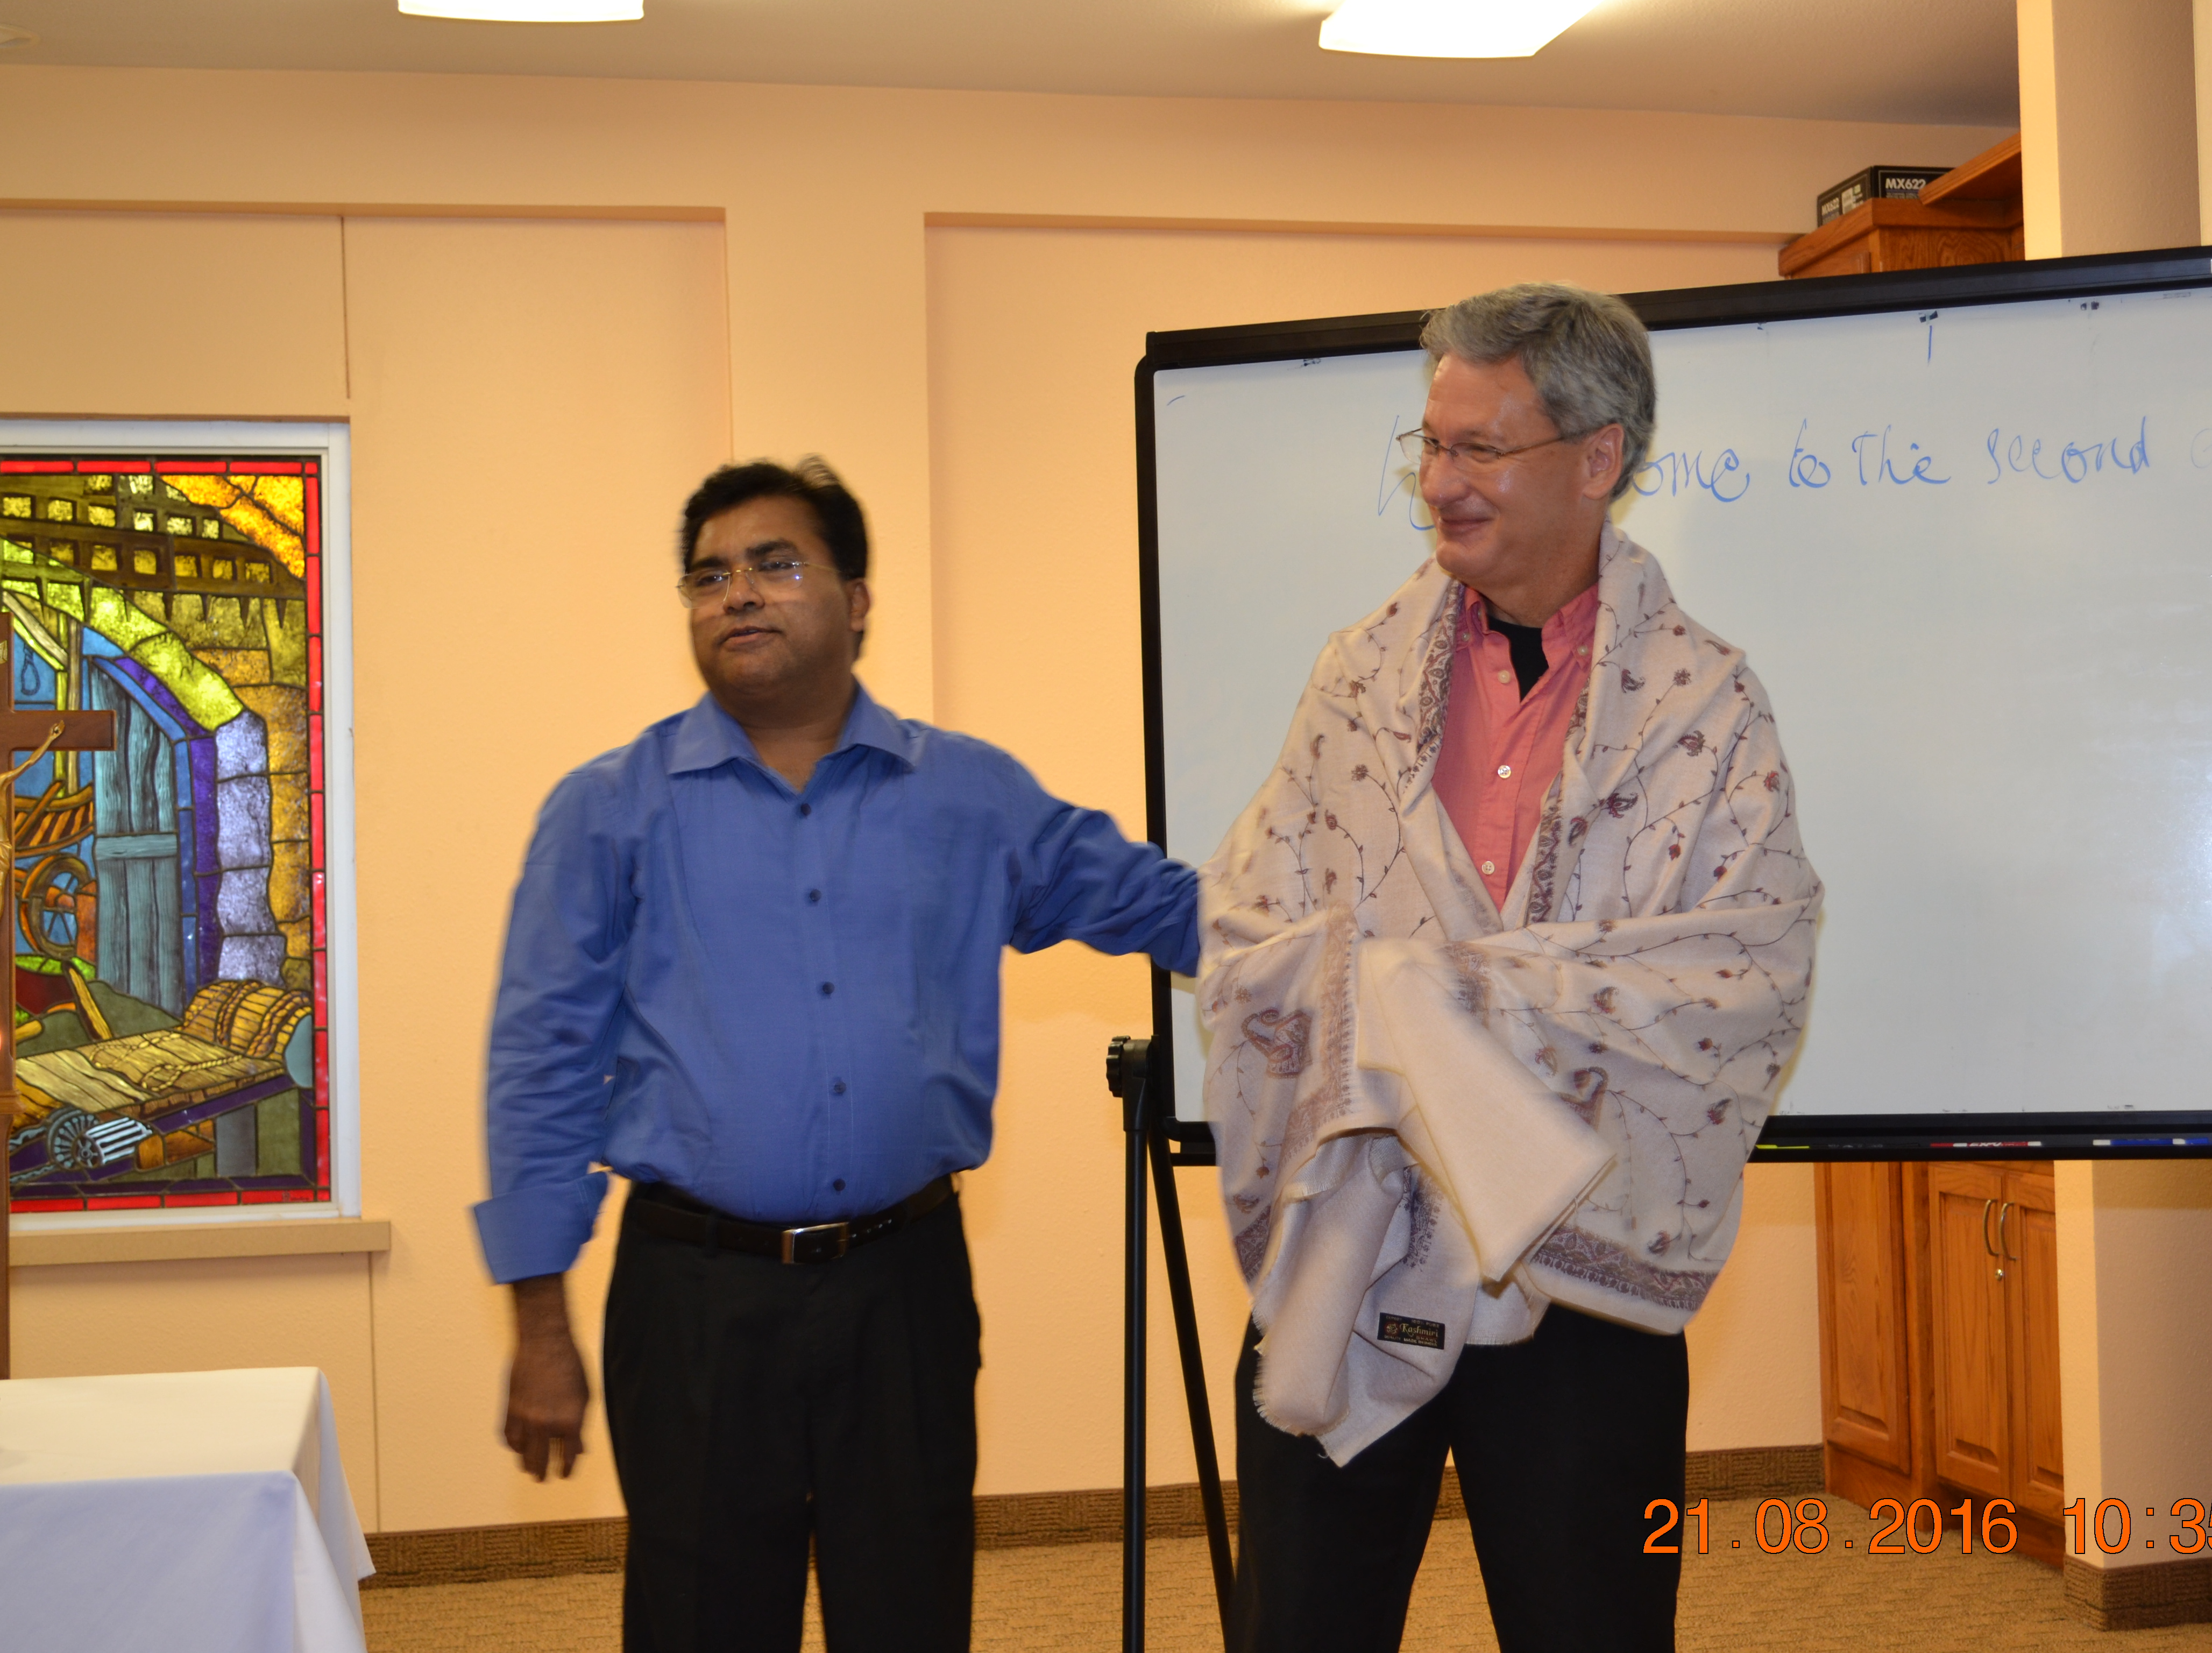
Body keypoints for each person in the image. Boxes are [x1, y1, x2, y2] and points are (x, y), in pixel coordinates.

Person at [472, 458, 1198, 1653]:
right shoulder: (607, 808)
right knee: (701, 1621)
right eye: (710, 575)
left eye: (776, 564)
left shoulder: (969, 795)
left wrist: (1366, 931)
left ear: (857, 601)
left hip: (902, 1291)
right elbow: (539, 1064)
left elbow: (1168, 908)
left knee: (910, 1614)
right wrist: (540, 1327)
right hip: (694, 1298)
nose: (738, 593)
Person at [1198, 284, 1823, 1652]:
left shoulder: (1706, 710)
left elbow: (1746, 972)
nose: (1440, 482)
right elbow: (1251, 926)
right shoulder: (1357, 682)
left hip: (1581, 1281)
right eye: (1430, 445)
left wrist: (1448, 998)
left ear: (1599, 459)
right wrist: (1392, 1003)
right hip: (1354, 1246)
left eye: (1480, 448)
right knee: (1302, 1628)